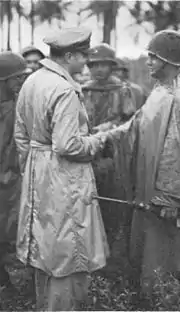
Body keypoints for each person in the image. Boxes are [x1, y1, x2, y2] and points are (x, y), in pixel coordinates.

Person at [99, 30, 180, 300]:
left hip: (165, 199)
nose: (148, 61)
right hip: (149, 191)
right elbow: (135, 126)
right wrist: (101, 139)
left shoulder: (178, 98)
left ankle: (167, 301)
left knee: (163, 256)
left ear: (168, 59)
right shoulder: (160, 92)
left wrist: (170, 198)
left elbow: (177, 153)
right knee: (149, 252)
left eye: (153, 56)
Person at [14, 27, 109, 311]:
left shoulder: (33, 80)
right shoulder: (65, 89)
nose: (86, 63)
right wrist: (98, 140)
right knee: (69, 249)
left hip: (37, 171)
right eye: (83, 56)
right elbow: (68, 145)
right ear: (69, 56)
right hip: (64, 178)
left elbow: (21, 136)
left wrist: (33, 170)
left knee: (44, 249)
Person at [82, 44, 136, 262]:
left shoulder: (122, 90)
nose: (99, 70)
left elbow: (130, 121)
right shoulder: (83, 90)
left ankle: (115, 254)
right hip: (88, 155)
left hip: (114, 156)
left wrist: (109, 129)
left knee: (115, 201)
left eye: (103, 65)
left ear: (111, 66)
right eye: (94, 65)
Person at [0, 52, 30, 290]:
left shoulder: (18, 106)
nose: (21, 82)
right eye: (16, 78)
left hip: (12, 182)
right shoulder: (12, 109)